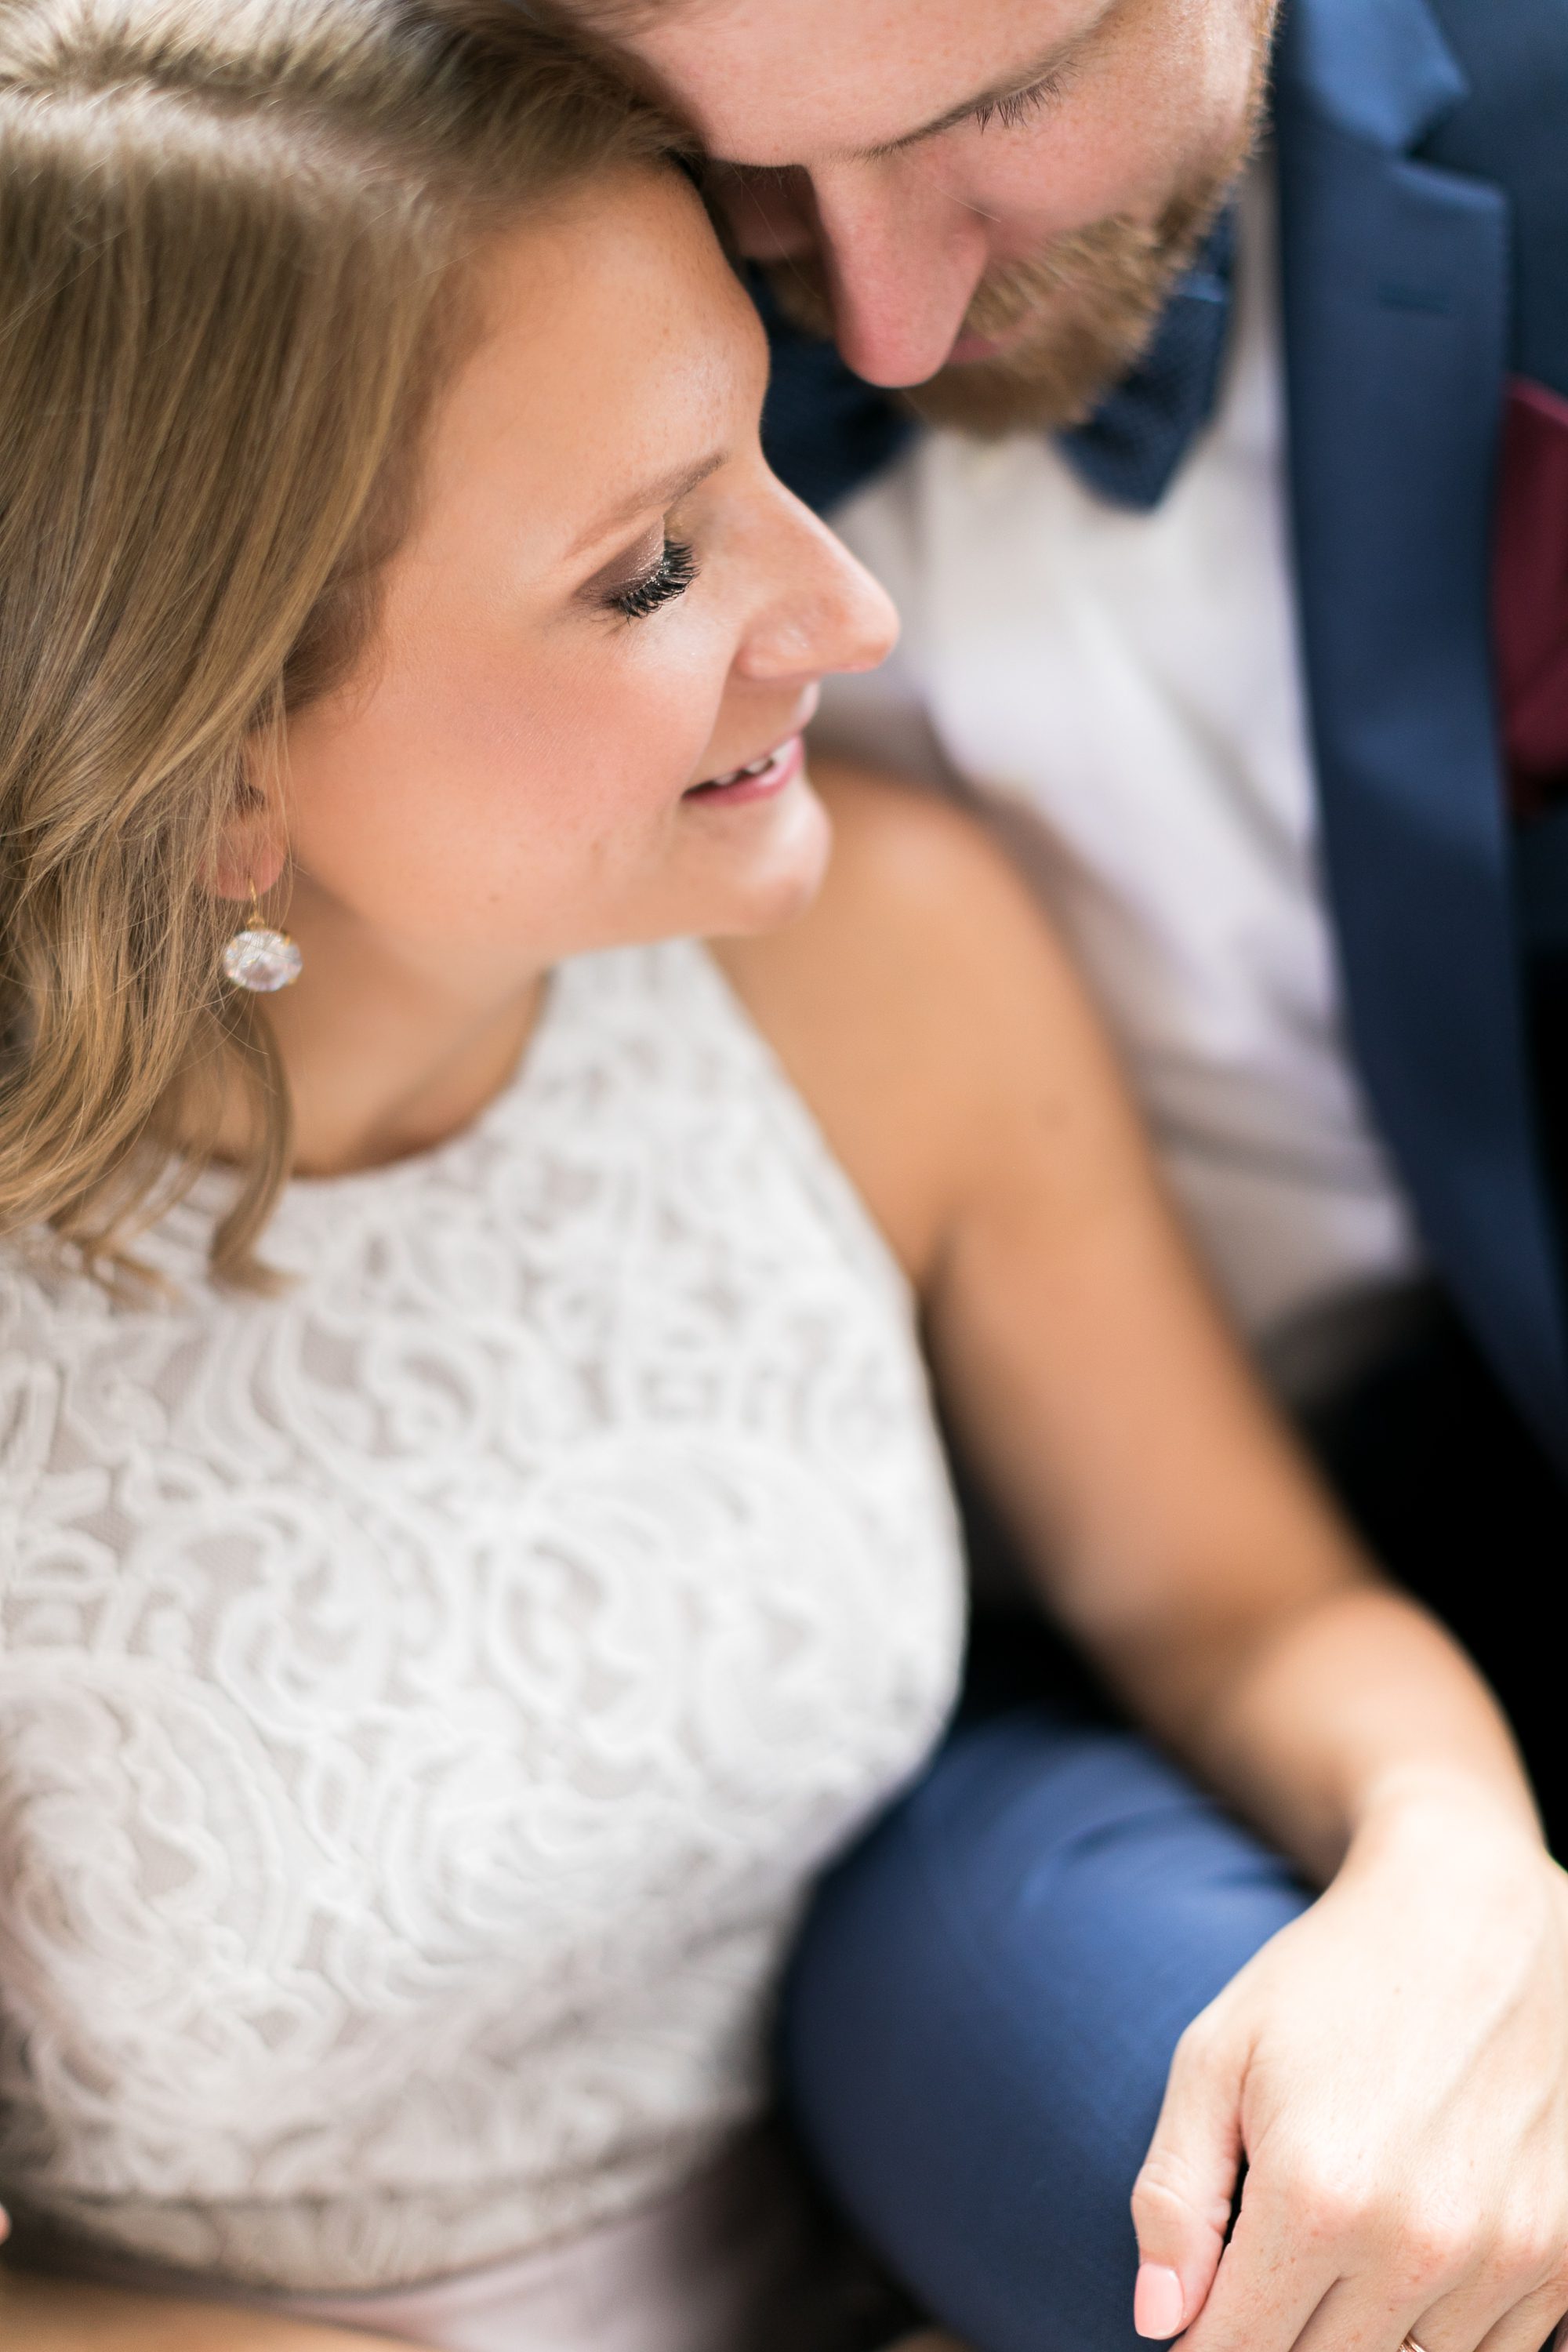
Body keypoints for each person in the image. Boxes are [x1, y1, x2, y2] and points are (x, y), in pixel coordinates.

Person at [1, 5, 1566, 2352]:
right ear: (214, 761)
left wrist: (1455, 1865)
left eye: (757, 440)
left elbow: (1238, 1603)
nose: (851, 612)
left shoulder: (889, 964)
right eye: (652, 568)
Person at [513, 0, 1568, 2344]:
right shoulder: (405, 276)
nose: (879, 320)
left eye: (996, 107)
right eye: (733, 172)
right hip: (940, 1683)